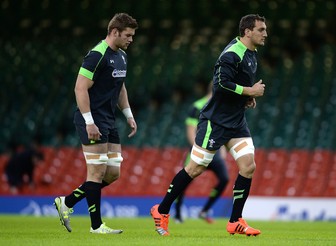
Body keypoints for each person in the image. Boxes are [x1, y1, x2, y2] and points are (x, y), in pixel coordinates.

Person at [150, 14, 267, 236]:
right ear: (248, 31)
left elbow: (236, 84)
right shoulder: (231, 54)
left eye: (265, 30)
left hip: (237, 121)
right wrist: (249, 91)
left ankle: (235, 221)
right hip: (216, 122)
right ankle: (161, 209)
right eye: (261, 30)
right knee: (195, 169)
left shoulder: (252, 53)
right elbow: (221, 84)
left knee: (248, 166)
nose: (265, 34)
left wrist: (246, 98)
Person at [54, 13, 138, 234]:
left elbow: (120, 87)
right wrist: (89, 121)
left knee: (112, 173)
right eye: (128, 35)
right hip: (92, 119)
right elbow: (80, 88)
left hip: (109, 120)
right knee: (96, 172)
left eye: (132, 35)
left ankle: (67, 202)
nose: (131, 39)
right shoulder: (96, 55)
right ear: (114, 32)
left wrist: (128, 114)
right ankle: (96, 226)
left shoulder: (121, 56)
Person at [174, 82, 229, 224]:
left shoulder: (220, 106)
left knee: (224, 179)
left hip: (214, 150)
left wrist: (222, 148)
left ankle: (204, 211)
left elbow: (219, 130)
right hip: (198, 149)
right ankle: (177, 214)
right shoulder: (197, 106)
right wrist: (197, 149)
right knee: (184, 180)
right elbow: (191, 130)